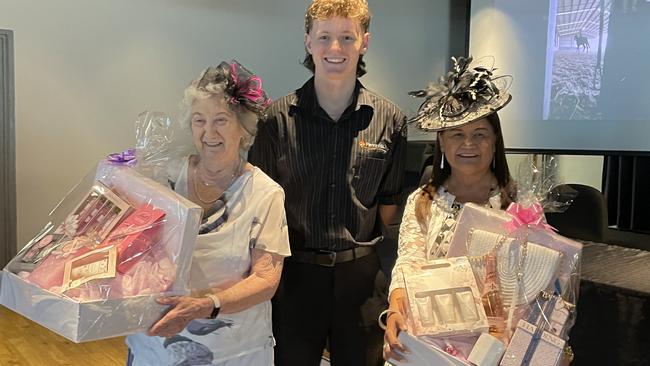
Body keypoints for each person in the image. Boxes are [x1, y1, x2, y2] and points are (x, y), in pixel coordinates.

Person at [248, 1, 407, 365]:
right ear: (308, 42)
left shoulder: (391, 120)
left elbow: (389, 207)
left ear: (364, 42)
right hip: (295, 278)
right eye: (324, 37)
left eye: (347, 37)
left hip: (362, 280)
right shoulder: (275, 120)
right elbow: (260, 208)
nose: (335, 49)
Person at [125, 60, 291, 366]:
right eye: (199, 120)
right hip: (155, 348)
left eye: (221, 120)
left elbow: (266, 280)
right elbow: (131, 247)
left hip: (232, 352)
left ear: (244, 129)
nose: (208, 131)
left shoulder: (265, 194)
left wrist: (206, 305)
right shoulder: (163, 178)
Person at [382, 56, 516, 362]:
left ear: (495, 142)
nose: (468, 144)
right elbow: (408, 264)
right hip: (430, 341)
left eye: (480, 134)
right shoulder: (424, 201)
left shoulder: (518, 205)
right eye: (457, 134)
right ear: (442, 143)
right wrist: (395, 311)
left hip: (497, 346)